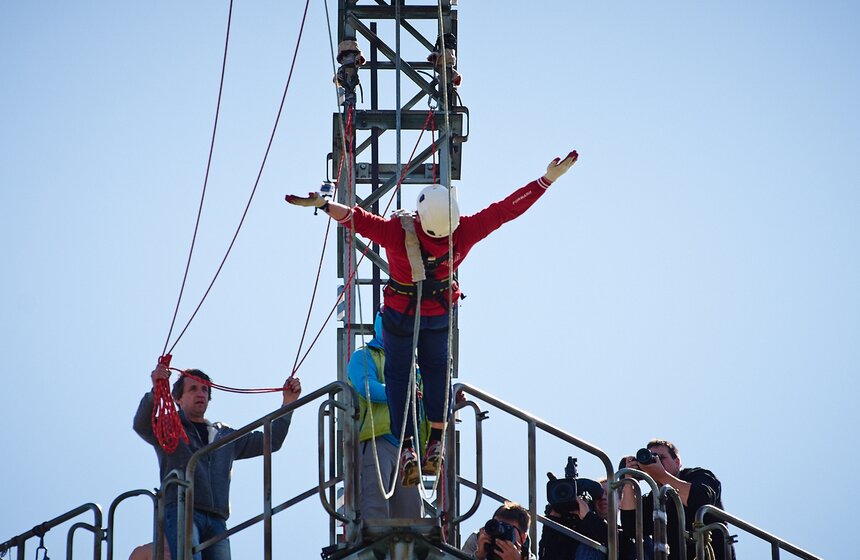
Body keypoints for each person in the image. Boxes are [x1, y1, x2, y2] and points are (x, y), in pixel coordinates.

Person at [287, 150, 579, 485]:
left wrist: (324, 205)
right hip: (438, 315)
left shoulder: (398, 231)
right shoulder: (464, 232)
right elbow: (505, 210)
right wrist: (545, 181)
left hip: (400, 316)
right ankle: (436, 441)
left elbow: (356, 219)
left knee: (398, 376)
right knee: (437, 372)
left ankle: (407, 447)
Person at [133, 363, 302, 560]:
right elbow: (142, 425)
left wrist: (288, 403)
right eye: (193, 389)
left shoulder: (224, 436)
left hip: (217, 519)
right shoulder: (169, 427)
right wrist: (156, 389)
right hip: (183, 509)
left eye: (204, 390)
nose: (200, 394)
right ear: (178, 399)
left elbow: (271, 441)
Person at [347, 312, 428, 519]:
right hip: (377, 440)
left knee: (412, 515)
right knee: (375, 509)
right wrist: (402, 392)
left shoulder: (414, 366)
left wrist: (453, 403)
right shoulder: (364, 356)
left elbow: (426, 405)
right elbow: (368, 387)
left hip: (409, 448)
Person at [620, 439, 735, 560]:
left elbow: (700, 499)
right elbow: (631, 527)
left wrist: (662, 475)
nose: (656, 461)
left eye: (661, 457)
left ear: (677, 461)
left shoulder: (698, 475)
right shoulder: (654, 497)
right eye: (652, 457)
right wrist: (629, 481)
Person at [539, 479, 636, 560]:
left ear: (620, 502)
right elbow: (546, 555)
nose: (603, 497)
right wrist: (555, 517)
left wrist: (588, 517)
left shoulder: (625, 536)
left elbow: (627, 549)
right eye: (598, 495)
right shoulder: (576, 530)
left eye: (608, 494)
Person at [461, 502, 536, 560]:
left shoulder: (528, 557)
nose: (501, 534)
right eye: (498, 527)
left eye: (508, 529)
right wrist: (478, 556)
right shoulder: (477, 540)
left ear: (523, 537)